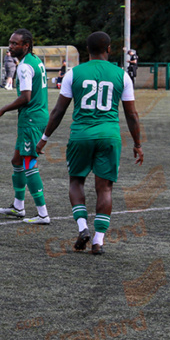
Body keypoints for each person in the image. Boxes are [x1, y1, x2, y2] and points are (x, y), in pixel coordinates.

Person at [37, 32, 143, 256]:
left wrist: (44, 139)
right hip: (109, 136)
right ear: (110, 49)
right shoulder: (121, 75)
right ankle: (98, 241)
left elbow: (58, 112)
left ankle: (83, 227)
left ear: (87, 50)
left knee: (76, 182)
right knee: (104, 188)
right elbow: (132, 115)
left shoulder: (74, 74)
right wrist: (137, 143)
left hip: (81, 136)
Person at [0, 29, 50, 224]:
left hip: (32, 119)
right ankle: (18, 207)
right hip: (36, 116)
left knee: (29, 163)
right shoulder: (36, 61)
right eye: (10, 42)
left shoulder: (25, 66)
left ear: (26, 45)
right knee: (17, 161)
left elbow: (25, 97)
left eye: (15, 43)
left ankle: (43, 213)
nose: (11, 46)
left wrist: (2, 109)